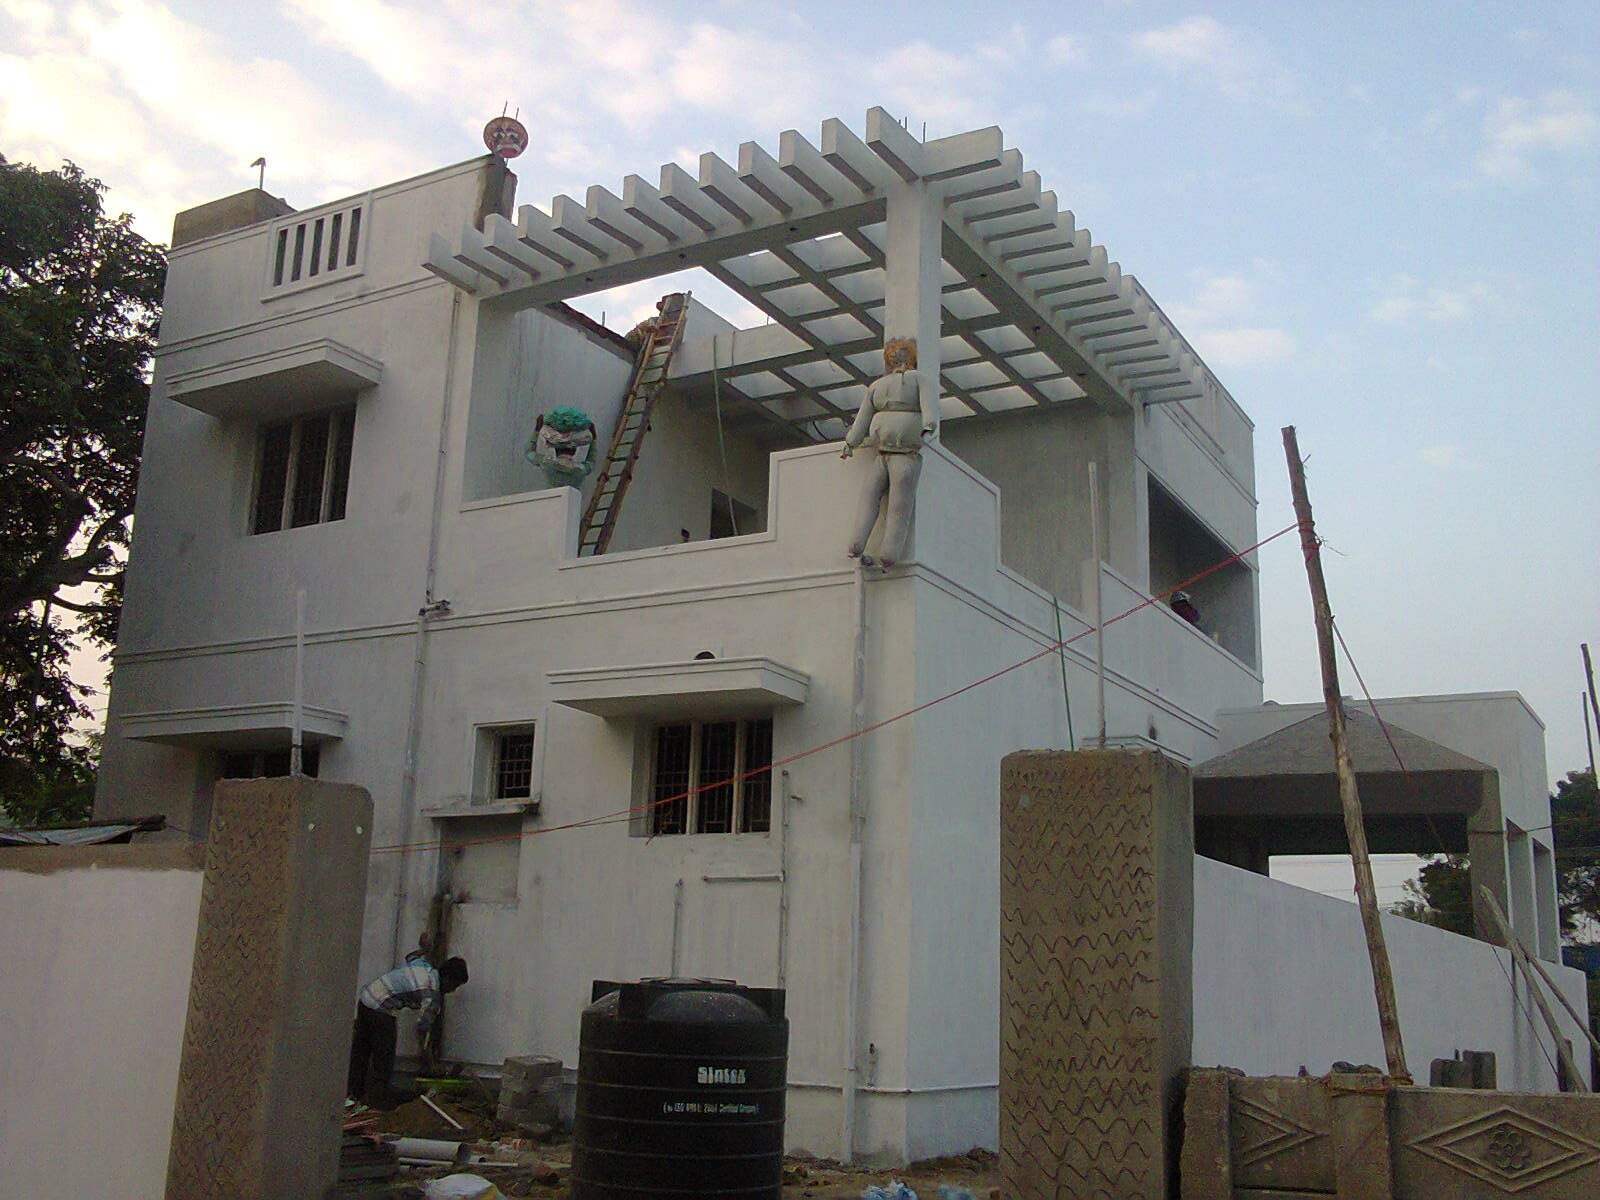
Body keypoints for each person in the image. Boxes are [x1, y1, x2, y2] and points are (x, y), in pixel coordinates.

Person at [841, 337, 940, 568]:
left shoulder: (877, 386)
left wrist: (851, 443)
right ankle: (887, 555)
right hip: (904, 453)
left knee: (870, 499)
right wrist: (928, 428)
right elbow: (929, 411)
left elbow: (861, 422)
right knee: (898, 507)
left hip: (884, 452)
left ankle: (857, 546)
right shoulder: (920, 380)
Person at [348, 954, 469, 1105]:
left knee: (361, 1051)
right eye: (455, 986)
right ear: (447, 979)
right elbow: (423, 1029)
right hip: (381, 1007)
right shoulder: (431, 993)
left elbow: (411, 956)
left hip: (366, 998)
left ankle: (353, 1095)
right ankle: (379, 1099)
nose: (452, 991)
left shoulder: (423, 965)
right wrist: (430, 1062)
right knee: (384, 1056)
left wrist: (424, 949)